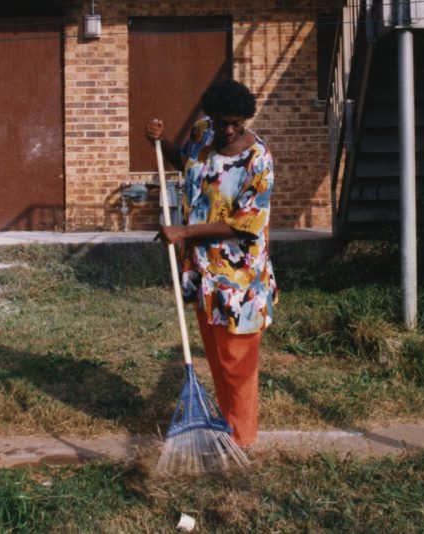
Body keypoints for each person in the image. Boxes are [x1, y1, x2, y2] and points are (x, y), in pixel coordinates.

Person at [146, 78, 277, 447]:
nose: (229, 130)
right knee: (219, 358)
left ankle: (241, 441)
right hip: (203, 272)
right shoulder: (203, 133)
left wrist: (184, 232)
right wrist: (158, 143)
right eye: (223, 122)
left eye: (237, 122)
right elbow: (188, 164)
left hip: (240, 278)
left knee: (238, 361)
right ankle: (229, 428)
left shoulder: (258, 160)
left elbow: (245, 224)